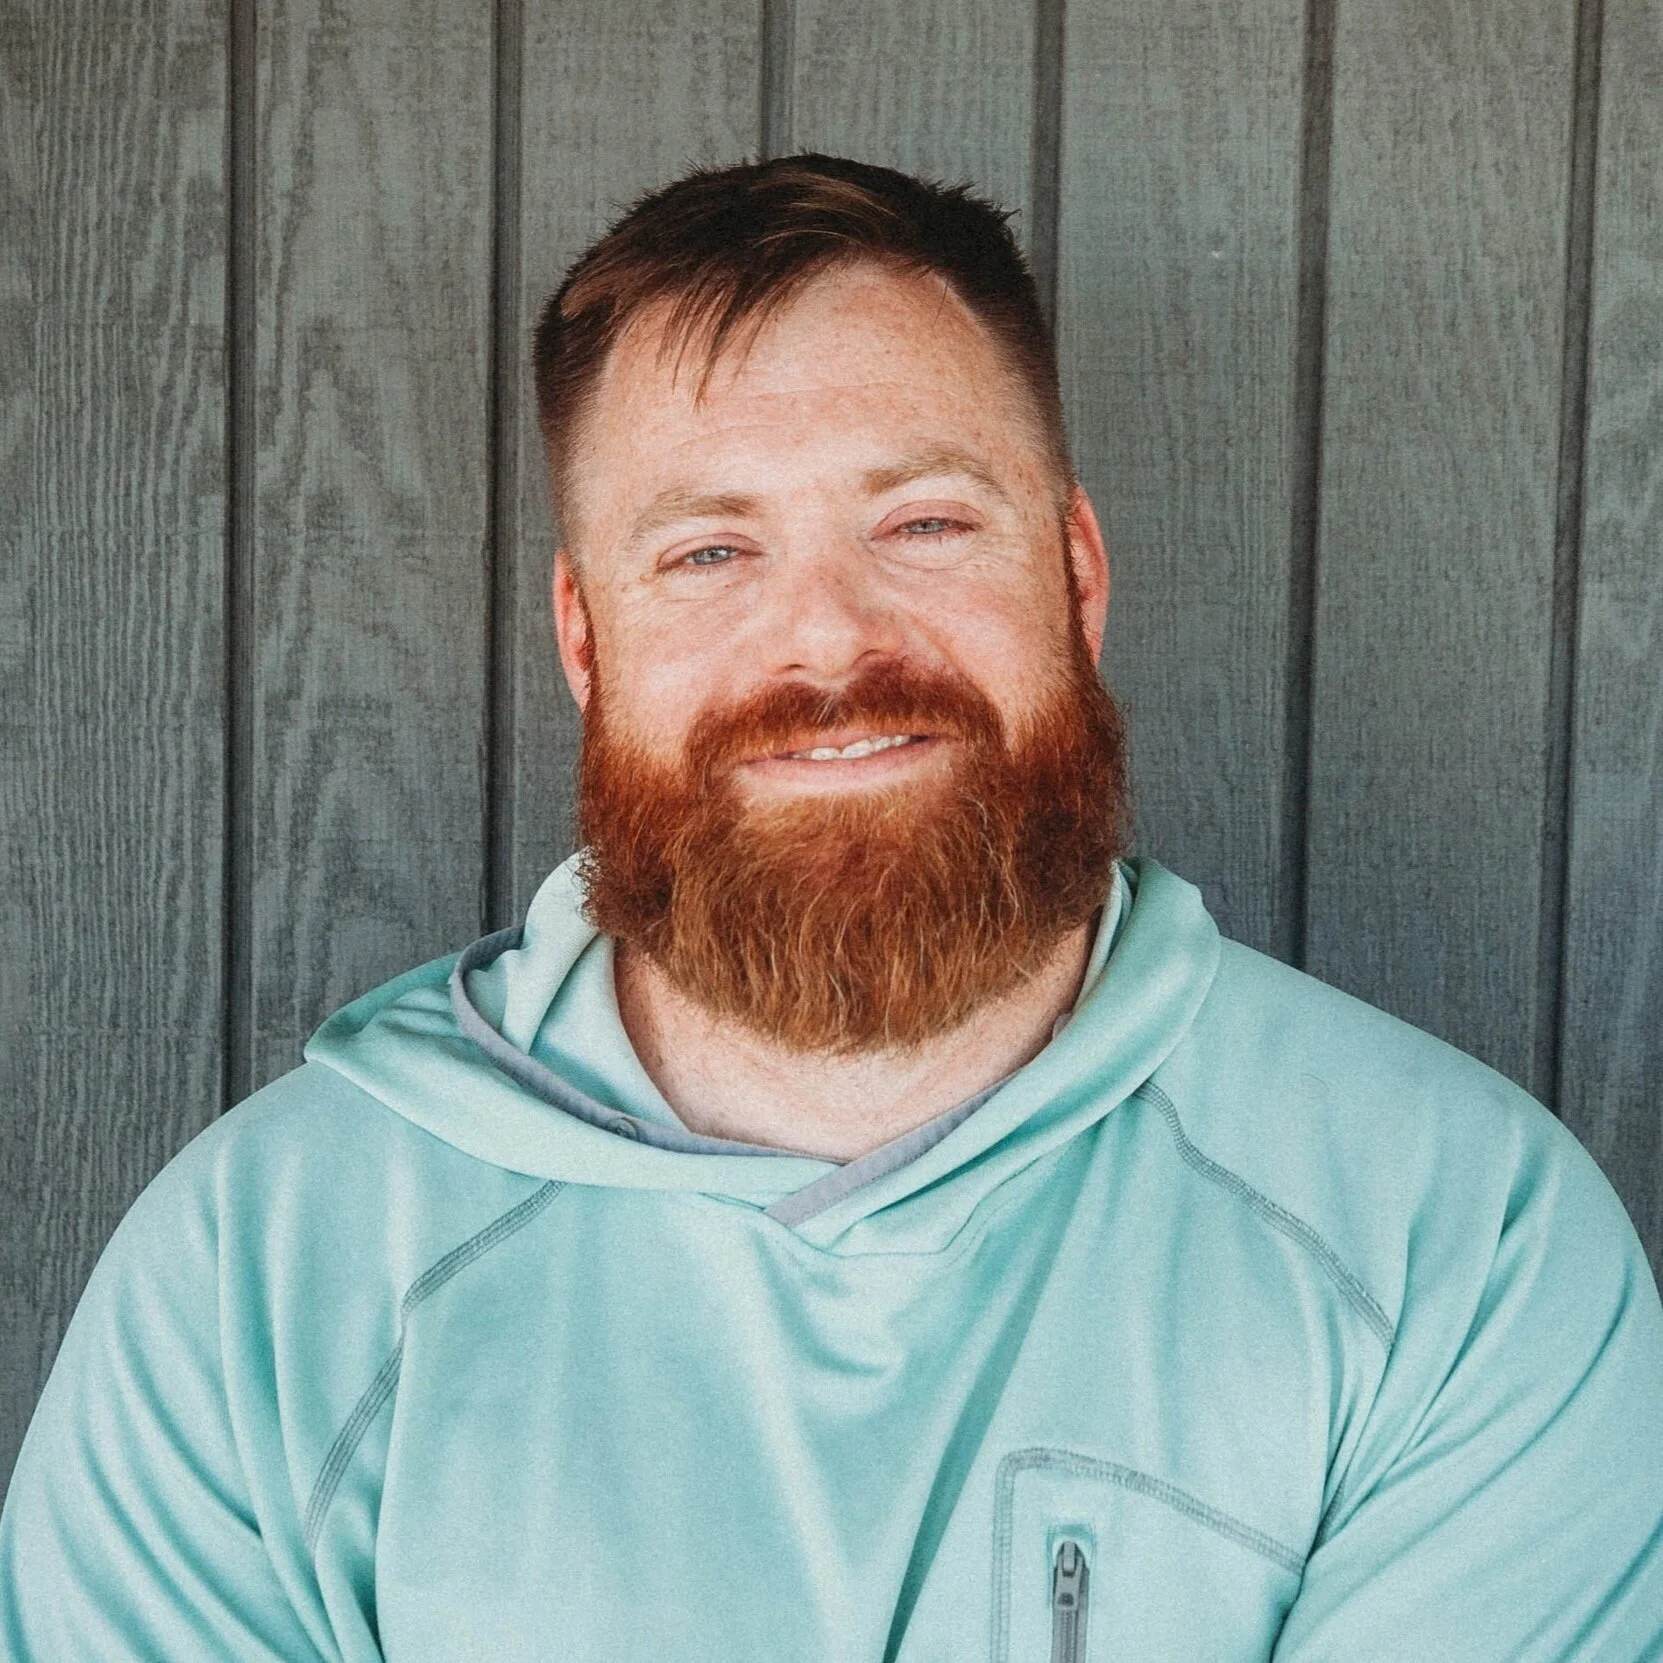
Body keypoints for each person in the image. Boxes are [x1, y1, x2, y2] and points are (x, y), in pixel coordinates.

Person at [2, 154, 1660, 1661]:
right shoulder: (255, 1286)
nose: (829, 643)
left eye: (922, 523)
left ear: (1075, 577)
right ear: (584, 643)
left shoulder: (1458, 1243)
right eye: (708, 554)